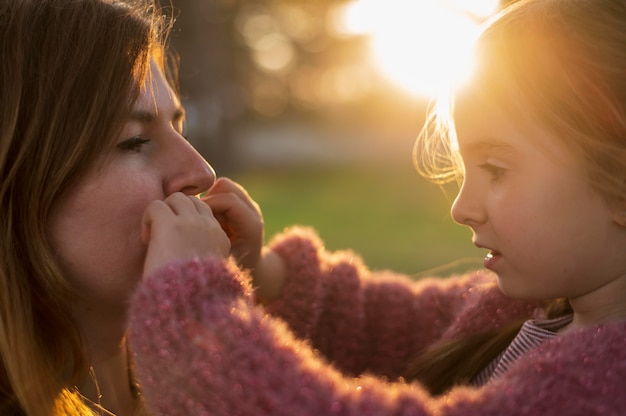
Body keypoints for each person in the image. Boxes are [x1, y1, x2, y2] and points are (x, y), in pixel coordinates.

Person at [121, 0, 624, 414]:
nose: (462, 208)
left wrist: (192, 310)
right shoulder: (536, 306)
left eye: (496, 169)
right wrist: (266, 274)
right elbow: (399, 326)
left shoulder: (607, 379)